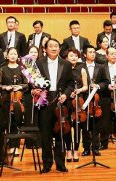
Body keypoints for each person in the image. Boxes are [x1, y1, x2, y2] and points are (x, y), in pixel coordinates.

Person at [33, 38, 74, 173]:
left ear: (59, 49)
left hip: (60, 101)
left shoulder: (66, 64)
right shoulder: (38, 63)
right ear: (45, 49)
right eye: (50, 46)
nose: (54, 48)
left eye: (56, 46)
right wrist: (35, 90)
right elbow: (33, 83)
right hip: (44, 101)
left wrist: (66, 95)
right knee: (45, 134)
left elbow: (70, 84)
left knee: (60, 133)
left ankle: (60, 163)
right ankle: (47, 163)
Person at [0, 47, 29, 155]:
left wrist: (19, 87)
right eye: (11, 54)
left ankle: (15, 146)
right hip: (6, 99)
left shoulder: (21, 68)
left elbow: (26, 84)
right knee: (7, 121)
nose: (13, 56)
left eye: (15, 54)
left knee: (16, 121)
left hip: (19, 99)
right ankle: (9, 145)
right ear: (7, 56)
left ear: (17, 56)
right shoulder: (2, 69)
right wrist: (6, 88)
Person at [81, 44, 109, 156]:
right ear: (84, 54)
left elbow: (106, 82)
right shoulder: (80, 67)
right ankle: (86, 148)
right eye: (90, 52)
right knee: (85, 125)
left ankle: (95, 147)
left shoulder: (101, 67)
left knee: (97, 125)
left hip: (97, 99)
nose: (93, 54)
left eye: (94, 52)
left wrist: (98, 85)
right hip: (84, 99)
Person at [63, 48, 88, 162]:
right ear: (66, 57)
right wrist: (68, 93)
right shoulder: (64, 68)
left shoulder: (82, 69)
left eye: (75, 56)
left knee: (78, 126)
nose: (73, 57)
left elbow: (85, 86)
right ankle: (68, 149)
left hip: (78, 100)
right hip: (67, 100)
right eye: (71, 55)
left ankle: (76, 149)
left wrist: (79, 91)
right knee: (67, 125)